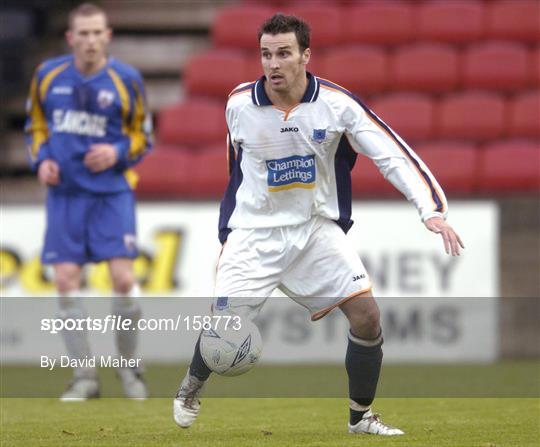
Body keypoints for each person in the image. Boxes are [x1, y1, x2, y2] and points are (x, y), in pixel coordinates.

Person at [173, 13, 463, 435]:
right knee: (224, 330)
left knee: (367, 317)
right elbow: (235, 170)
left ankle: (360, 417)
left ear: (305, 55)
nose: (273, 64)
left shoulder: (337, 104)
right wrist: (229, 230)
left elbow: (390, 153)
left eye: (284, 53)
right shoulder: (238, 105)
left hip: (314, 230)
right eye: (266, 54)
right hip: (254, 235)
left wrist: (431, 209)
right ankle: (189, 388)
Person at [24, 3, 152, 400]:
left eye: (98, 33)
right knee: (65, 283)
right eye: (84, 33)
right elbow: (36, 125)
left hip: (111, 194)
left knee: (125, 281)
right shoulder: (48, 76)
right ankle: (84, 377)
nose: (91, 41)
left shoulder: (126, 80)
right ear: (70, 38)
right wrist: (42, 158)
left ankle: (130, 370)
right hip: (66, 196)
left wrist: (116, 152)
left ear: (108, 36)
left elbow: (142, 135)